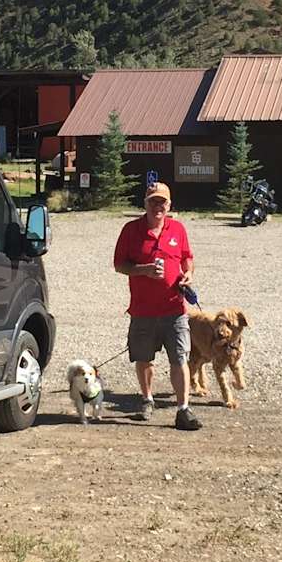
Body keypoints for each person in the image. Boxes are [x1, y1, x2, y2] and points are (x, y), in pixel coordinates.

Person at [111, 182, 200, 430]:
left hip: (175, 309)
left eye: (162, 202)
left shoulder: (178, 229)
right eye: (153, 201)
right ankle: (147, 399)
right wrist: (144, 271)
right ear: (145, 203)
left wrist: (188, 274)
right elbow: (120, 265)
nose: (157, 206)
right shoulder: (131, 230)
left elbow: (187, 257)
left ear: (169, 205)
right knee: (144, 358)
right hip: (143, 310)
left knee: (179, 358)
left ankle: (183, 409)